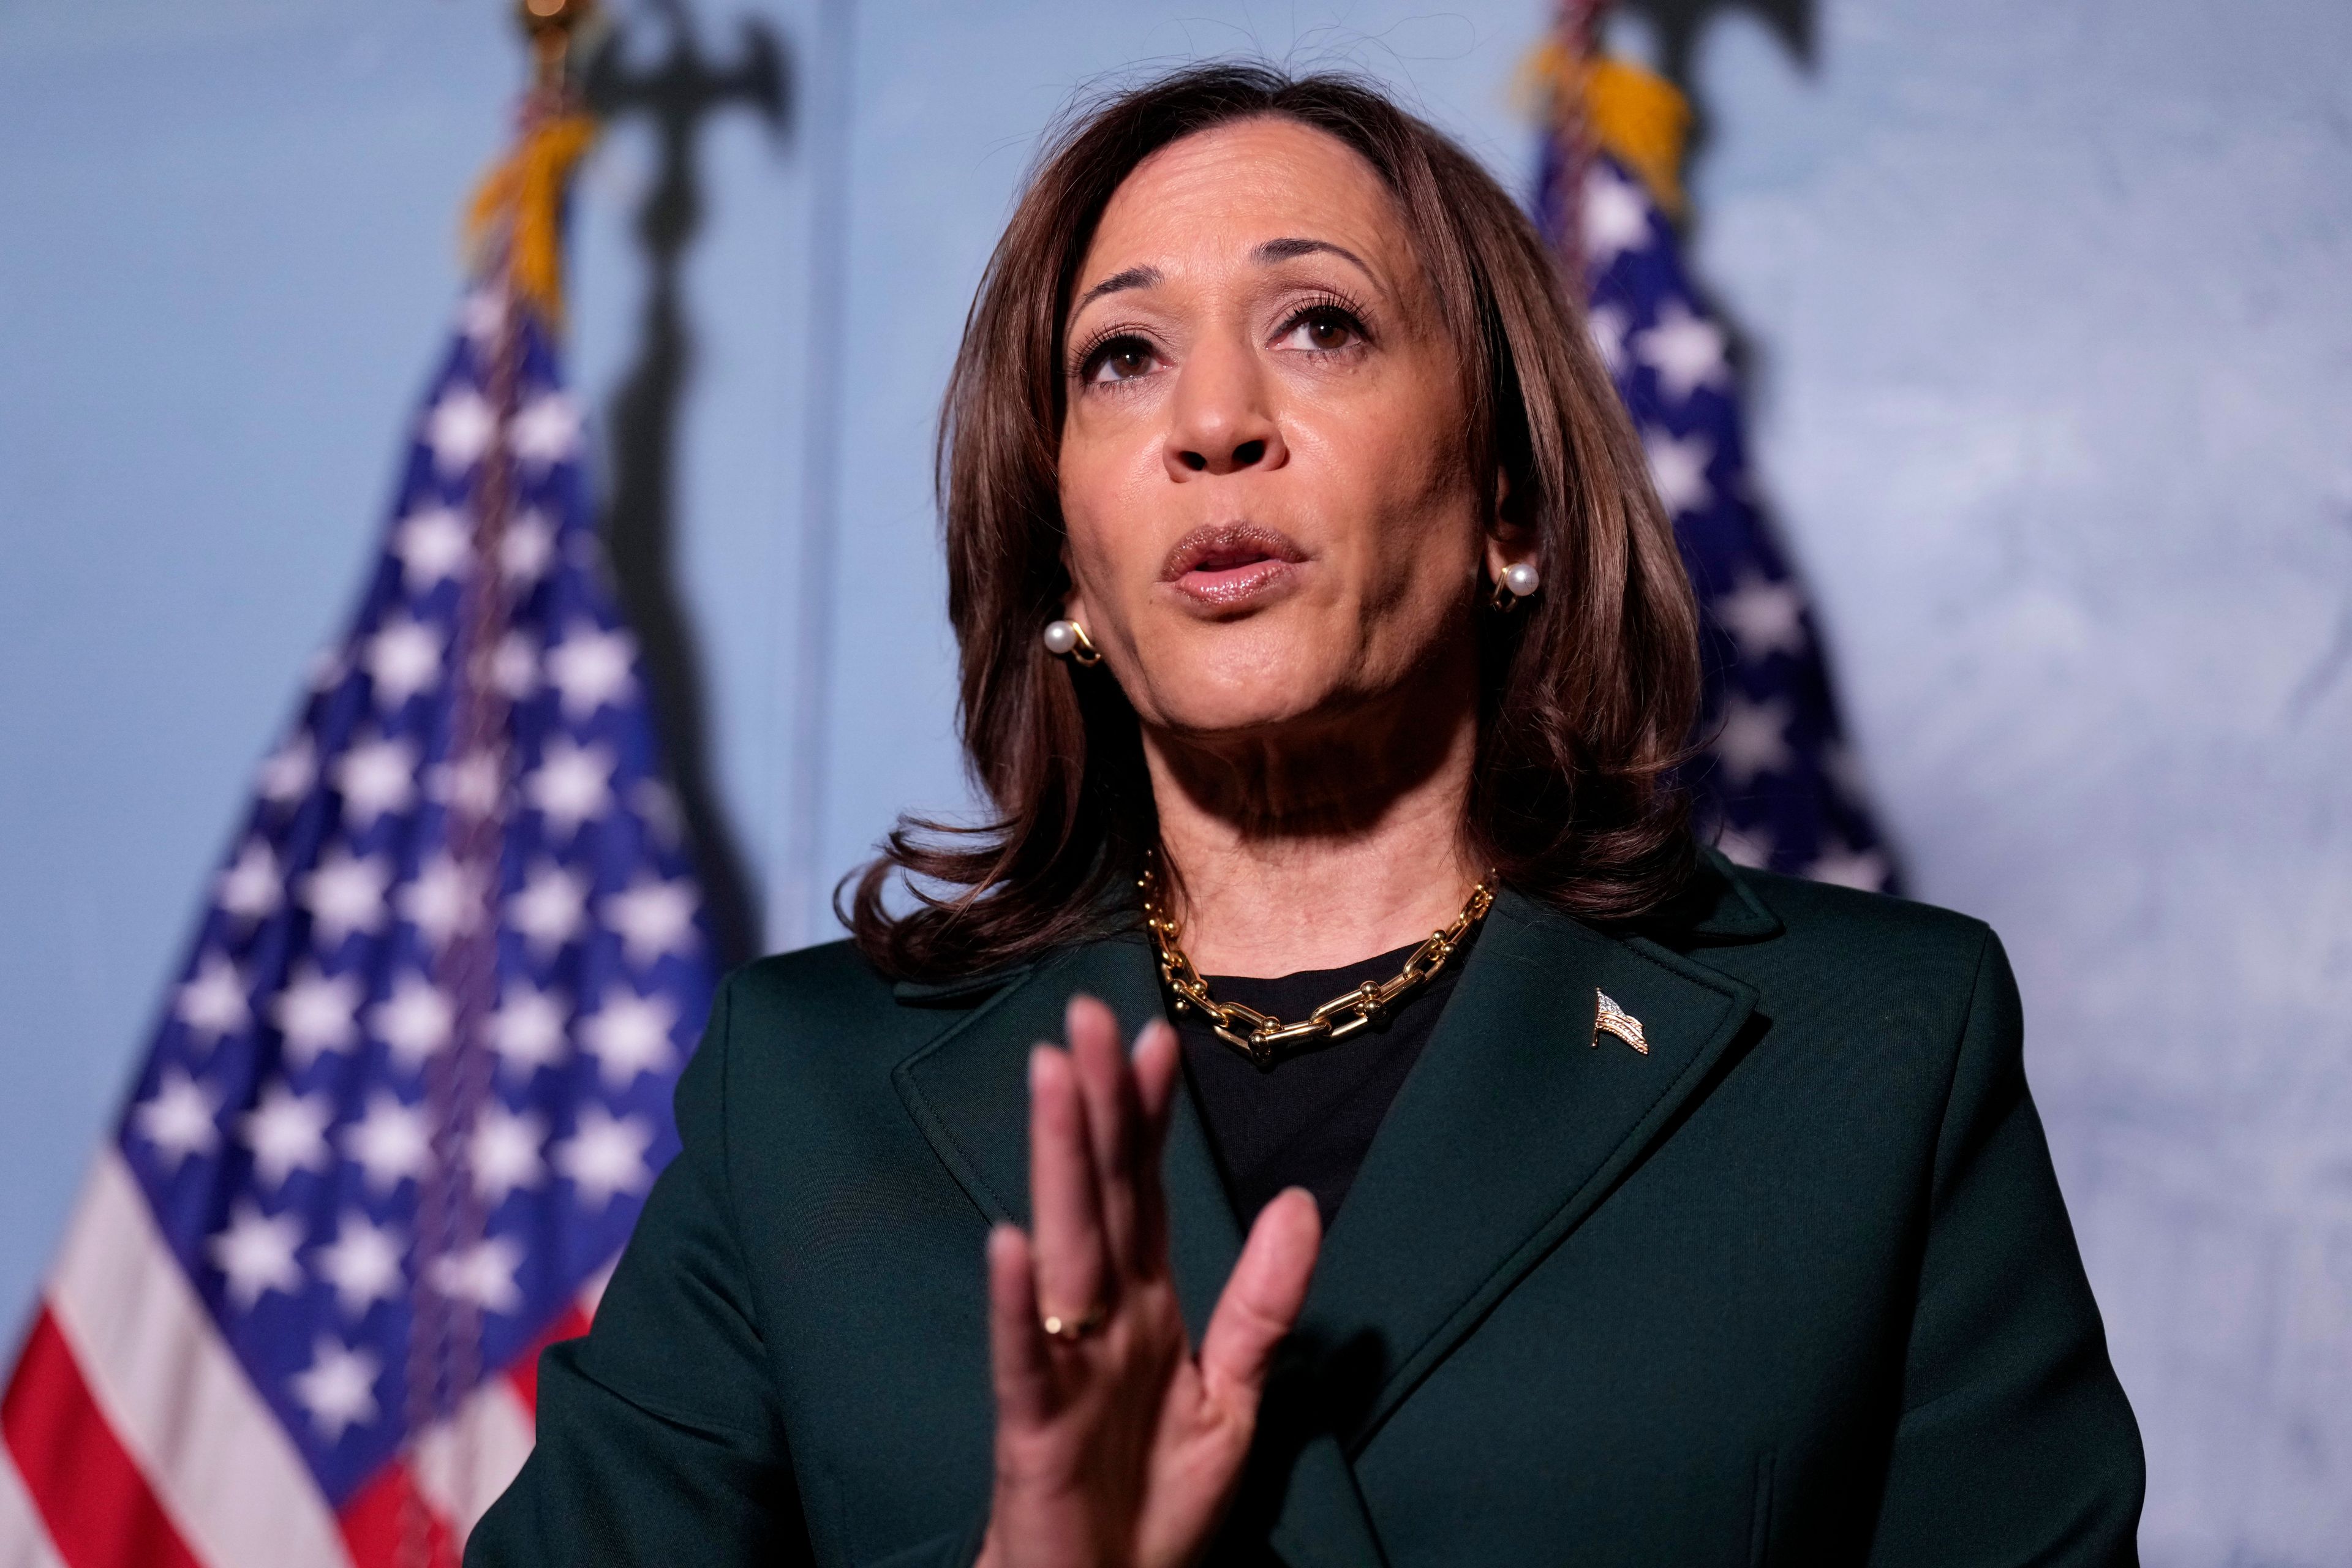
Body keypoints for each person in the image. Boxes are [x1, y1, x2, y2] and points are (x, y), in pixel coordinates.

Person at [469, 62, 2143, 1567]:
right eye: (1121, 359)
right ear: (1065, 558)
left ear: (1508, 498)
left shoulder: (1873, 1056)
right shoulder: (804, 1094)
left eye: (1319, 326)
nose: (1213, 426)